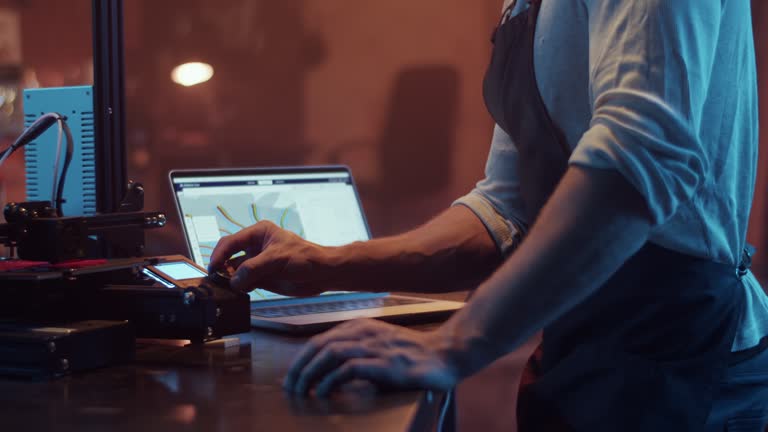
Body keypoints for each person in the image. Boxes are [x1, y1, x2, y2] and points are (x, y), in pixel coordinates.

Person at [210, 0, 768, 429]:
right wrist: (325, 264)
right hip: (589, 354)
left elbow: (638, 159)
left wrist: (453, 345)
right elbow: (504, 210)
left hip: (685, 364)